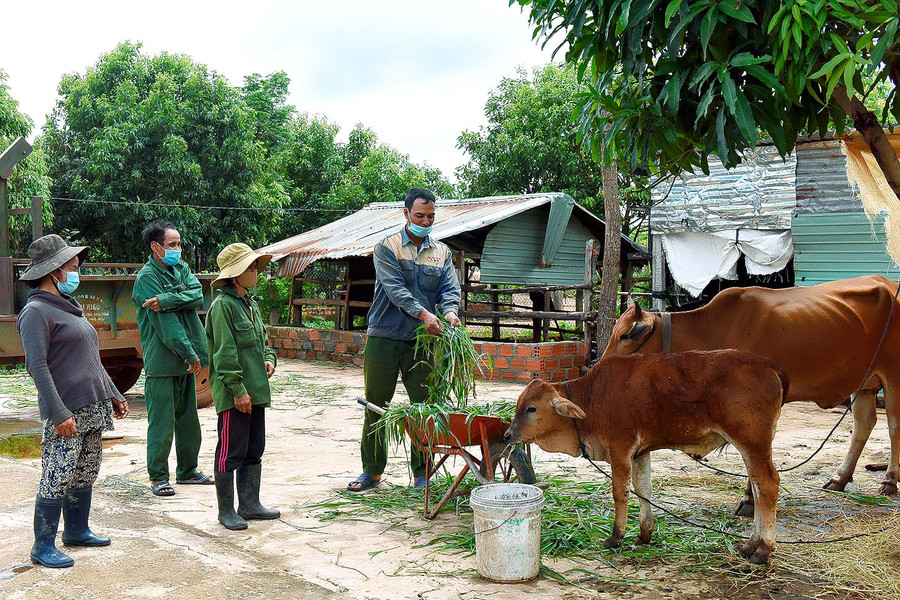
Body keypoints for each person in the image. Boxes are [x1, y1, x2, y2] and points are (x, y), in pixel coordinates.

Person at [16, 234, 129, 568]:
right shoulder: (36, 312)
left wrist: (114, 393)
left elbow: (89, 360)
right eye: (72, 267)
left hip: (92, 408)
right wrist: (59, 411)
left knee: (85, 473)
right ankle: (42, 546)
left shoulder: (70, 310)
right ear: (53, 273)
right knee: (58, 473)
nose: (76, 273)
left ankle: (77, 531)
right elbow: (36, 366)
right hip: (66, 411)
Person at [348, 187, 461, 492]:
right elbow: (395, 290)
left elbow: (450, 290)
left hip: (423, 343)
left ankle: (422, 473)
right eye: (419, 215)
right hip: (384, 337)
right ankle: (371, 472)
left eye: (430, 216)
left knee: (423, 409)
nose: (425, 221)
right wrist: (425, 315)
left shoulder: (442, 252)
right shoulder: (387, 247)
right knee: (375, 407)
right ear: (406, 214)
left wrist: (450, 312)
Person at [132, 220, 211, 496]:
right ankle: (158, 477)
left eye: (179, 244)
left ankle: (188, 471)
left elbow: (198, 294)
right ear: (156, 247)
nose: (178, 249)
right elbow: (166, 326)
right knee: (162, 423)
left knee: (189, 420)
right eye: (172, 245)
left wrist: (166, 299)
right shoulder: (146, 278)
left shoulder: (182, 269)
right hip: (163, 362)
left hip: (185, 362)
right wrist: (189, 352)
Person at [206, 243, 280, 530]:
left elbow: (263, 342)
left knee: (254, 448)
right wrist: (238, 390)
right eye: (250, 267)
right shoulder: (222, 306)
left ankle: (249, 504)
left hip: (257, 391)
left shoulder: (250, 303)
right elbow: (223, 354)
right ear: (235, 274)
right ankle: (226, 511)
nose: (255, 271)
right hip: (235, 393)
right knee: (230, 450)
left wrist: (270, 359)